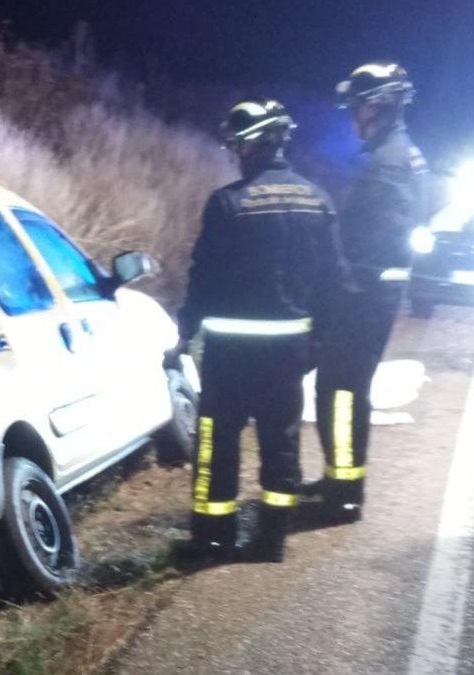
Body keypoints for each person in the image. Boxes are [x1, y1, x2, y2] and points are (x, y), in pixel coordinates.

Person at [168, 98, 344, 562]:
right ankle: (271, 540)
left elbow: (203, 278)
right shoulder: (319, 200)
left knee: (217, 444)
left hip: (232, 353)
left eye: (237, 143)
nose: (234, 152)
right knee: (281, 443)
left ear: (253, 142)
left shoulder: (227, 204)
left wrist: (183, 333)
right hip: (289, 350)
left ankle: (212, 540)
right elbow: (332, 282)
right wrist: (318, 343)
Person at [307, 63, 430, 522]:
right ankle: (340, 477)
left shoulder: (389, 162)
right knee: (340, 389)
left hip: (366, 295)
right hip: (374, 293)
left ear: (375, 106)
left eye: (357, 107)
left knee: (341, 391)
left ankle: (345, 494)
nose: (353, 117)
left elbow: (384, 233)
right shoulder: (400, 153)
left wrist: (348, 277)